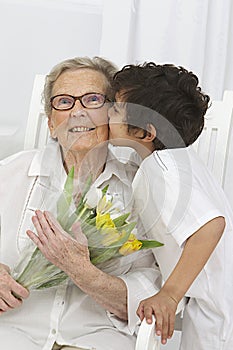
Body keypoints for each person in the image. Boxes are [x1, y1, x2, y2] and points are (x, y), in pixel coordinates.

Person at [0, 57, 162, 350]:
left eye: (92, 99)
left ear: (114, 117)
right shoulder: (9, 174)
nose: (78, 111)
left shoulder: (142, 188)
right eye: (64, 102)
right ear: (51, 123)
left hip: (96, 339)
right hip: (12, 334)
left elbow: (151, 288)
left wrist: (85, 273)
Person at [108, 62, 233, 349]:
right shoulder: (172, 159)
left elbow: (211, 226)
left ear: (146, 133)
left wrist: (170, 294)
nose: (106, 112)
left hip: (215, 309)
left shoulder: (161, 169)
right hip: (210, 300)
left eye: (115, 109)